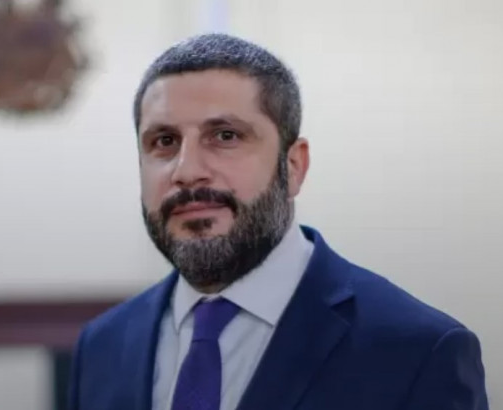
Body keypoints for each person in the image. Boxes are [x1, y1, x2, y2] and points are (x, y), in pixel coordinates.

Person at [67, 33, 488, 410]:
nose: (187, 170)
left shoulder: (418, 352)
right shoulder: (100, 347)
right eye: (164, 141)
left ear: (294, 165)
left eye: (225, 136)